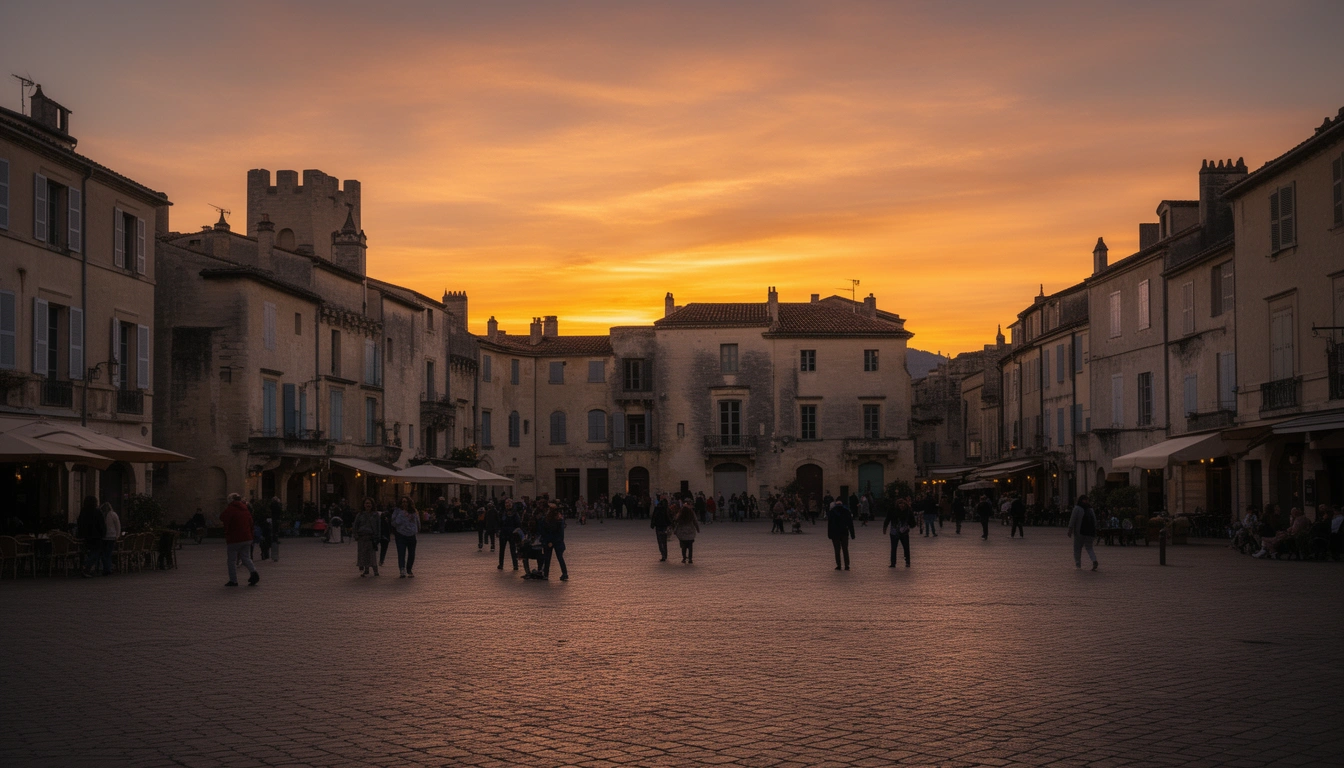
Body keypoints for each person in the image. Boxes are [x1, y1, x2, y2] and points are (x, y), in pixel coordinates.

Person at [220, 493, 259, 586]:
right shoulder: (245, 509)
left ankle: (233, 580)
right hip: (247, 537)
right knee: (246, 557)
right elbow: (251, 522)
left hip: (234, 538)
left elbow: (222, 517)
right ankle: (254, 573)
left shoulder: (230, 509)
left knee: (231, 560)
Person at [1067, 494, 1099, 570]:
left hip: (1079, 532)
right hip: (1090, 532)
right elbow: (1094, 521)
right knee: (1089, 547)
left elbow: (1072, 519)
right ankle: (1094, 560)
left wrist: (1070, 529)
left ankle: (1078, 565)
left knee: (1077, 549)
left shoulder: (1077, 508)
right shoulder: (1090, 509)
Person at [77, 496, 106, 578]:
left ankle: (90, 568)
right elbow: (102, 524)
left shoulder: (83, 512)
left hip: (86, 536)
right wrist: (103, 533)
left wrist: (81, 533)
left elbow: (80, 523)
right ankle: (87, 566)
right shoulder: (97, 512)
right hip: (96, 536)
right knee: (96, 552)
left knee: (90, 552)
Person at [391, 496, 420, 577]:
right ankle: (402, 569)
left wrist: (417, 529)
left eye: (406, 502)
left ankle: (409, 569)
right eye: (403, 502)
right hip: (401, 534)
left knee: (412, 554)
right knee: (401, 553)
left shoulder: (413, 511)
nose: (404, 503)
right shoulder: (397, 511)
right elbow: (394, 522)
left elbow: (417, 521)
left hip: (411, 535)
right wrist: (401, 514)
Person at [884, 497, 915, 567]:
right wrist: (885, 527)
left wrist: (911, 525)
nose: (902, 506)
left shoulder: (908, 511)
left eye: (903, 504)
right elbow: (887, 519)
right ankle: (893, 562)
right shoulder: (892, 510)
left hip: (904, 532)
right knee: (894, 548)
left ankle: (907, 561)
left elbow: (912, 520)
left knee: (906, 547)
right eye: (900, 504)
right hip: (894, 532)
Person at [352, 498, 380, 577]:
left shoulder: (375, 515)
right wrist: (356, 535)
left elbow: (378, 526)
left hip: (371, 537)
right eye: (366, 503)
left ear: (372, 505)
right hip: (362, 537)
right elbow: (355, 525)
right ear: (364, 505)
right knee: (363, 554)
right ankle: (366, 569)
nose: (368, 505)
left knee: (372, 554)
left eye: (369, 503)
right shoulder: (360, 514)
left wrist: (378, 537)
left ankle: (375, 570)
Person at [541, 505, 569, 580]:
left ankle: (546, 574)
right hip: (557, 542)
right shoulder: (559, 520)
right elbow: (560, 534)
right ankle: (564, 573)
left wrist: (550, 541)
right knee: (559, 558)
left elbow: (544, 532)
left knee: (548, 558)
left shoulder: (547, 519)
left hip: (551, 541)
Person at [828, 501, 856, 570]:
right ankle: (846, 565)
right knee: (845, 549)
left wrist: (829, 534)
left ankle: (839, 565)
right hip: (844, 532)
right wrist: (852, 534)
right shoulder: (846, 511)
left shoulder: (832, 512)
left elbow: (829, 524)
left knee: (837, 550)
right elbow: (850, 524)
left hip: (835, 533)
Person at [498, 504, 521, 570]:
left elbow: (500, 523)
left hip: (508, 534)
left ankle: (503, 564)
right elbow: (518, 524)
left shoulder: (504, 514)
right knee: (510, 550)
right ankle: (514, 565)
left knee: (509, 550)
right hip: (508, 533)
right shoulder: (514, 514)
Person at [651, 495, 672, 561]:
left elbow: (653, 517)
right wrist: (670, 524)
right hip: (664, 526)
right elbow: (668, 518)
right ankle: (665, 554)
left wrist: (652, 524)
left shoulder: (657, 509)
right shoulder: (666, 509)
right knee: (664, 541)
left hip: (658, 527)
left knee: (660, 541)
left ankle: (663, 554)